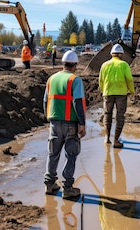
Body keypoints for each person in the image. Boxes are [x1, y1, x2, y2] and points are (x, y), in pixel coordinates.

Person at [44, 50, 86, 200]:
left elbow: (45, 102)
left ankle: (49, 184)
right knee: (71, 155)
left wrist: (49, 118)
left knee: (53, 153)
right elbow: (77, 102)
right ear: (75, 65)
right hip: (70, 124)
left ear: (63, 64)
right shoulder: (75, 80)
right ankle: (67, 188)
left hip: (54, 123)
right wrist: (82, 123)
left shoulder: (51, 79)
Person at [99, 44, 135, 148]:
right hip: (121, 94)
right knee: (120, 116)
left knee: (107, 114)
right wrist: (131, 91)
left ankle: (107, 138)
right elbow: (129, 79)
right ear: (121, 54)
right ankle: (116, 140)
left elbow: (101, 80)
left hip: (108, 93)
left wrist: (103, 90)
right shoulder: (124, 65)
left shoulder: (104, 65)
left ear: (111, 54)